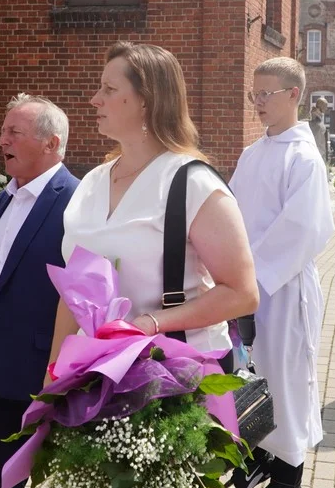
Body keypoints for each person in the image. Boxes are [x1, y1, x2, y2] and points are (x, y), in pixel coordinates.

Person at [50, 40, 258, 373]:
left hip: (180, 375)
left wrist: (150, 323)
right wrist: (54, 374)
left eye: (108, 88)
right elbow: (73, 294)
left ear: (146, 100)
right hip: (97, 373)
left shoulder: (192, 183)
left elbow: (242, 293)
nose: (95, 99)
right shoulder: (91, 183)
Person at [225, 58, 334, 488]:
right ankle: (255, 464)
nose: (258, 103)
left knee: (285, 380)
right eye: (255, 94)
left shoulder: (303, 157)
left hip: (283, 289)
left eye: (266, 94)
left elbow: (305, 230)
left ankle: (290, 478)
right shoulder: (253, 153)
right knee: (250, 378)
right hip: (245, 288)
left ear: (294, 95)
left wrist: (250, 281)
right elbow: (228, 215)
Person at [0, 95, 79, 488]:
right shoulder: (5, 197)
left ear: (50, 143)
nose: (1, 140)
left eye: (13, 132)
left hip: (45, 376)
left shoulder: (76, 202)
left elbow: (85, 292)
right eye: (2, 131)